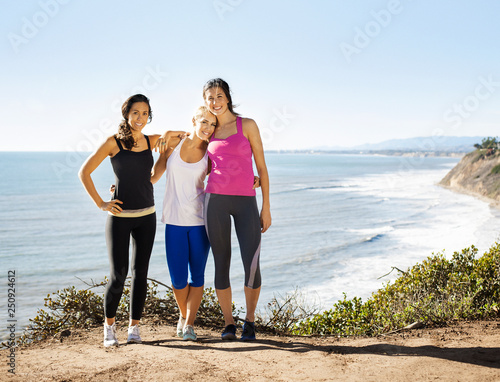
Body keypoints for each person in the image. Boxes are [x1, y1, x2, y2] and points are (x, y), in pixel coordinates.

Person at [79, 94, 162, 347]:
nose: (140, 118)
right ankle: (109, 328)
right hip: (119, 218)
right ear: (126, 114)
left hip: (147, 216)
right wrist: (101, 203)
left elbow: (182, 136)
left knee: (141, 274)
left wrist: (164, 159)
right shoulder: (113, 142)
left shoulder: (152, 140)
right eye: (136, 112)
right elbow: (84, 172)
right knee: (119, 274)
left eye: (145, 113)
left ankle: (134, 329)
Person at [202, 78, 271, 341]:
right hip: (215, 201)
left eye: (219, 96)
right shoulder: (206, 130)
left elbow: (262, 168)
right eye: (210, 98)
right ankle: (229, 324)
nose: (215, 102)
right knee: (221, 263)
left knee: (252, 263)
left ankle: (249, 322)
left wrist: (266, 207)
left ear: (228, 98)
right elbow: (190, 158)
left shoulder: (248, 125)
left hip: (246, 202)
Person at [150, 106, 216, 341]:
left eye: (213, 125)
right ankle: (182, 314)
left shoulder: (212, 152)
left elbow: (228, 173)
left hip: (200, 223)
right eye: (205, 122)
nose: (208, 128)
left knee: (197, 277)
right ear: (194, 121)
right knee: (178, 279)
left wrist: (254, 179)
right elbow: (154, 177)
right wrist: (122, 186)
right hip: (174, 222)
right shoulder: (173, 144)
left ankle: (189, 324)